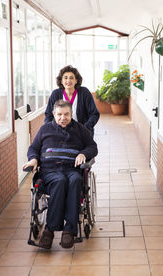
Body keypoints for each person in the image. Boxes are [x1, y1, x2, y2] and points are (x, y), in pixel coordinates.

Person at [23, 100, 98, 249]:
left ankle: (69, 231)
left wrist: (83, 153)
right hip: (49, 171)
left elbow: (93, 147)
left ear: (71, 114)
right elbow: (33, 148)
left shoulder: (80, 129)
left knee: (76, 180)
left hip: (72, 169)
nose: (63, 118)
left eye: (66, 114)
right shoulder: (45, 130)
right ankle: (49, 231)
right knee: (60, 181)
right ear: (53, 114)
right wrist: (33, 160)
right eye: (59, 114)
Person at [45, 65, 100, 135]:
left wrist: (85, 128)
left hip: (82, 132)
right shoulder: (55, 94)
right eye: (65, 78)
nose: (68, 80)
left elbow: (94, 114)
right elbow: (48, 115)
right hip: (60, 133)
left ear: (76, 80)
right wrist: (52, 130)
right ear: (61, 81)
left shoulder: (84, 92)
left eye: (71, 78)